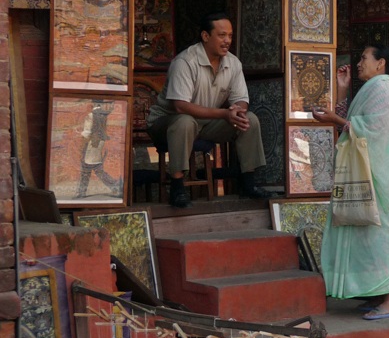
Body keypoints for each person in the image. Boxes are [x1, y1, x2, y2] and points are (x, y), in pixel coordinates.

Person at [312, 46, 389, 320]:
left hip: (377, 175)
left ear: (381, 63)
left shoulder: (382, 89)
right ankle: (379, 293)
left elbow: (371, 131)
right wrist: (342, 91)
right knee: (364, 236)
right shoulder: (372, 88)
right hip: (366, 172)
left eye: (363, 58)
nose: (358, 64)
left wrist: (335, 119)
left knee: (377, 236)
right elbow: (352, 123)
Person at [147, 13, 275, 209]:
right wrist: (224, 113)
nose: (227, 41)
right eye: (222, 35)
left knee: (248, 119)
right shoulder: (185, 61)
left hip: (206, 123)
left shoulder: (233, 63)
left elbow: (241, 99)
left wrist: (236, 111)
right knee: (184, 121)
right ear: (205, 36)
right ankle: (178, 188)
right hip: (167, 122)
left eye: (230, 36)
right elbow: (180, 106)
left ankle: (248, 184)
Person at [77, 102, 123, 199]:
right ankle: (116, 185)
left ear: (93, 104)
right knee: (96, 169)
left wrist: (81, 143)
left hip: (92, 143)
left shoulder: (91, 115)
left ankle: (82, 192)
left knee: (87, 168)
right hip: (99, 143)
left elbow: (87, 132)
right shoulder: (103, 115)